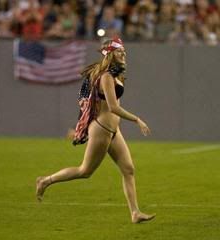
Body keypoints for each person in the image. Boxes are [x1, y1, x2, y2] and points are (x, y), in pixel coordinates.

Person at [36, 37, 155, 223]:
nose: (123, 53)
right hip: (101, 130)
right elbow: (113, 107)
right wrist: (137, 119)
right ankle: (45, 180)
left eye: (124, 50)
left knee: (128, 169)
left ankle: (135, 213)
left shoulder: (116, 74)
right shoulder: (106, 76)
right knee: (85, 171)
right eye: (119, 50)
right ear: (110, 54)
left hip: (114, 131)